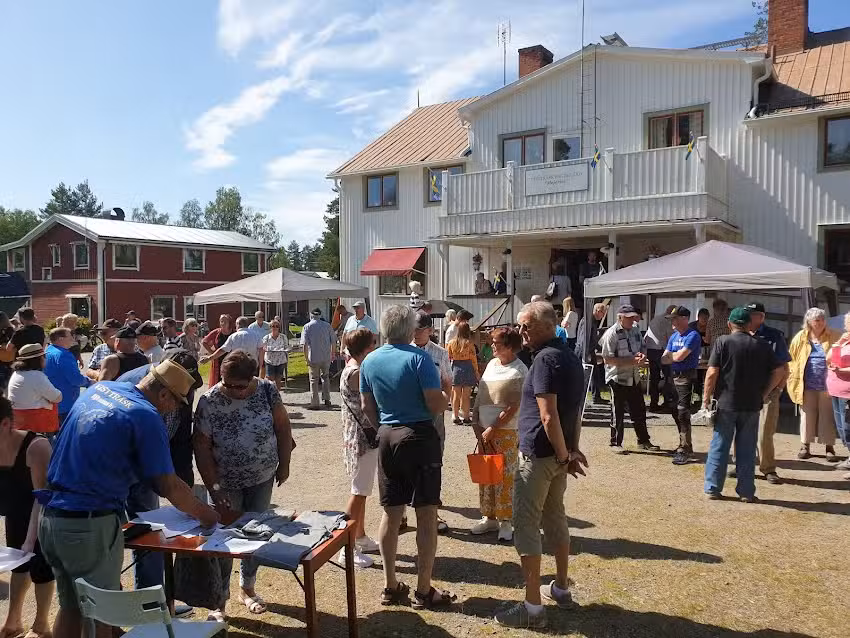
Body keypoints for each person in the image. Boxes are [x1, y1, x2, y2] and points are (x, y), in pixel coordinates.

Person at [38, 360, 219, 638]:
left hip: (53, 517)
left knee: (72, 606)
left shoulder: (100, 390)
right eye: (177, 402)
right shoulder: (145, 415)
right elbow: (167, 484)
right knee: (101, 614)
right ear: (163, 394)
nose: (175, 409)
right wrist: (206, 514)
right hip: (88, 523)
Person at [494, 302, 587, 629]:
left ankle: (533, 608)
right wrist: (570, 452)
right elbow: (573, 412)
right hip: (557, 456)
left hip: (539, 456)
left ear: (549, 325)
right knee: (555, 516)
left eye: (527, 326)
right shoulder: (570, 357)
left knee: (527, 524)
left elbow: (549, 416)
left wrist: (565, 455)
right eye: (520, 326)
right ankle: (560, 587)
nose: (522, 332)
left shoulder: (546, 359)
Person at [359, 305, 452, 609]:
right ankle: (424, 590)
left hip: (387, 435)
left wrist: (384, 427)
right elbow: (435, 403)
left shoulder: (369, 361)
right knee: (426, 513)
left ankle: (390, 585)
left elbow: (367, 406)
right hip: (419, 436)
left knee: (391, 512)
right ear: (411, 330)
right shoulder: (420, 359)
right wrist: (447, 396)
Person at [194, 350, 293, 616]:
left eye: (240, 386)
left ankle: (247, 588)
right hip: (226, 483)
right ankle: (219, 601)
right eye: (227, 384)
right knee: (225, 541)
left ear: (251, 378)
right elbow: (201, 448)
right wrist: (214, 487)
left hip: (262, 477)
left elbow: (283, 427)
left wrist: (284, 464)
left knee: (255, 536)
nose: (233, 391)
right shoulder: (209, 401)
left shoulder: (267, 390)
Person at [118, 348, 203, 618]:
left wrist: (184, 485)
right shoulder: (131, 386)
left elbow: (180, 440)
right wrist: (196, 507)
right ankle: (114, 606)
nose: (185, 400)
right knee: (113, 539)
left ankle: (151, 606)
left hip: (149, 474)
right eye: (180, 396)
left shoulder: (179, 392)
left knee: (151, 537)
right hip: (116, 477)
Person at [702, 307, 785, 501]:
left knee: (719, 446)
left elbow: (712, 372)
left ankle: (713, 488)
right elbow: (780, 371)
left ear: (729, 324)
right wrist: (764, 393)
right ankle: (746, 492)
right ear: (750, 325)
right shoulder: (763, 345)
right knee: (747, 449)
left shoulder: (723, 342)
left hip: (726, 403)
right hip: (752, 403)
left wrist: (705, 399)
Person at [0, 397, 54, 638]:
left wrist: (31, 540)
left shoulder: (37, 447)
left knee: (40, 565)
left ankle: (42, 625)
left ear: (4, 424)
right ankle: (13, 622)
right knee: (18, 566)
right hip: (14, 513)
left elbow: (42, 498)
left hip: (42, 514)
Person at [470, 327, 527, 542]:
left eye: (496, 342)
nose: (492, 345)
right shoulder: (492, 365)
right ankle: (489, 516)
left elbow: (514, 405)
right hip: (483, 430)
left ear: (510, 346)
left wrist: (493, 428)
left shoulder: (519, 370)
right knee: (487, 474)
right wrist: (476, 422)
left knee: (505, 476)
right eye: (492, 342)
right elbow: (481, 394)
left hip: (505, 430)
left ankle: (506, 521)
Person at [338, 328, 381, 569]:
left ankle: (361, 537)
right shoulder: (357, 372)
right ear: (366, 348)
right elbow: (369, 404)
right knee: (358, 492)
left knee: (362, 491)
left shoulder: (353, 367)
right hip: (362, 440)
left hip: (359, 437)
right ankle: (347, 548)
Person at [411, 311, 452, 534]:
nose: (416, 334)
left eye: (421, 329)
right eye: (414, 329)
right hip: (409, 414)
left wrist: (443, 404)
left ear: (430, 330)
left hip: (433, 417)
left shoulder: (440, 353)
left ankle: (432, 512)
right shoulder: (403, 350)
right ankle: (402, 513)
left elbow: (447, 382)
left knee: (433, 463)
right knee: (407, 464)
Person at [743, 302, 791, 484]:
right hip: (745, 391)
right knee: (742, 430)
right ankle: (741, 465)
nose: (747, 317)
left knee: (764, 432)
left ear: (761, 317)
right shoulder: (742, 334)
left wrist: (778, 389)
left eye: (751, 314)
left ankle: (768, 469)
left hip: (768, 391)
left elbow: (784, 366)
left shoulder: (774, 336)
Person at [601, 305, 659, 452]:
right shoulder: (611, 334)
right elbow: (607, 359)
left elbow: (642, 347)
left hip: (634, 377)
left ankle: (643, 441)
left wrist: (642, 355)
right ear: (620, 317)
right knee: (617, 412)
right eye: (628, 317)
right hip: (617, 378)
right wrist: (630, 361)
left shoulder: (635, 330)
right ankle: (615, 443)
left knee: (639, 410)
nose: (632, 319)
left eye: (633, 316)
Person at [788, 307, 840, 461]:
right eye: (817, 320)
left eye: (822, 319)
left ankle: (829, 447)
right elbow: (791, 359)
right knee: (806, 415)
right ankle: (805, 446)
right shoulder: (800, 338)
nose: (820, 322)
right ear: (809, 322)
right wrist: (792, 377)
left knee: (827, 416)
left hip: (828, 385)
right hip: (805, 385)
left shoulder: (835, 336)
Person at [660, 307, 702, 465]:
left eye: (675, 318)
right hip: (673, 376)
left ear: (685, 319)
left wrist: (673, 356)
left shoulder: (693, 335)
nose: (673, 321)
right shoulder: (674, 336)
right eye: (672, 319)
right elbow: (665, 359)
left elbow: (679, 356)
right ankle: (683, 443)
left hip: (686, 377)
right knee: (674, 410)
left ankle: (685, 447)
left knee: (682, 411)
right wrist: (674, 357)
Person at [7, 345, 62, 439]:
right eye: (44, 356)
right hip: (38, 425)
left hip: (20, 422)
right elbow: (57, 397)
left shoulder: (17, 374)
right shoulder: (36, 376)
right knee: (47, 450)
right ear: (39, 359)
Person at [45, 328, 92, 427]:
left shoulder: (48, 351)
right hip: (66, 402)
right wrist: (89, 382)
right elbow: (75, 379)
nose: (73, 339)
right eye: (70, 336)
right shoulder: (63, 355)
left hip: (52, 401)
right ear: (61, 339)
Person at [826, 311, 850, 474]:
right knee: (841, 429)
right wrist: (839, 342)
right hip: (836, 390)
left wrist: (841, 369)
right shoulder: (844, 341)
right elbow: (829, 358)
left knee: (848, 429)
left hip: (848, 393)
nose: (846, 326)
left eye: (848, 323)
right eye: (847, 323)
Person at [301, 308, 336, 409]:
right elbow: (333, 341)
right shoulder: (327, 325)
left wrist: (306, 358)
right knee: (326, 378)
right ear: (320, 315)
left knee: (313, 380)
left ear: (311, 315)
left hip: (313, 357)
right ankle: (327, 399)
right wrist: (332, 354)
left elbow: (304, 344)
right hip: (326, 357)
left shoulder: (307, 326)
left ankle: (315, 402)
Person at [644, 305, 676, 411]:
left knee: (654, 378)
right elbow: (669, 338)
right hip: (660, 350)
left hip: (650, 349)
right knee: (667, 376)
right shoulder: (667, 321)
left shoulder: (656, 319)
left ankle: (653, 403)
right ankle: (667, 401)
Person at [575, 303, 608, 404]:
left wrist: (600, 348)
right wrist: (587, 354)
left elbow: (592, 339)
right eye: (603, 313)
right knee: (585, 376)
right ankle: (582, 399)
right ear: (598, 311)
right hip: (584, 351)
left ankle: (596, 396)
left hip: (589, 350)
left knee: (595, 375)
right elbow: (583, 339)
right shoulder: (588, 321)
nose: (603, 316)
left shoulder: (591, 321)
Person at [447, 321, 479, 425]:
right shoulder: (469, 344)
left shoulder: (452, 343)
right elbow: (473, 359)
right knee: (466, 395)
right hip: (468, 367)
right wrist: (476, 371)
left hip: (456, 367)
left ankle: (455, 416)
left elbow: (448, 356)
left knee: (456, 394)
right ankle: (466, 417)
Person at [201, 314, 234, 386]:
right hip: (218, 360)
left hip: (231, 360)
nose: (223, 323)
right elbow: (204, 342)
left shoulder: (234, 333)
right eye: (221, 321)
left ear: (229, 323)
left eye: (225, 321)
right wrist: (212, 352)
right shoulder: (216, 332)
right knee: (218, 382)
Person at [261, 319, 289, 391]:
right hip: (270, 361)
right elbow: (264, 348)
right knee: (270, 378)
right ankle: (268, 394)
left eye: (277, 326)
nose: (275, 328)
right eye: (273, 326)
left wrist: (286, 351)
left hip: (281, 360)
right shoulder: (266, 338)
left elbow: (286, 347)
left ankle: (277, 395)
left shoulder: (283, 337)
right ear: (270, 328)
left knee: (278, 379)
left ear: (279, 327)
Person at [0, 312, 16, 392]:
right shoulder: (12, 330)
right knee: (8, 382)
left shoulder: (9, 331)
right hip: (10, 359)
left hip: (3, 360)